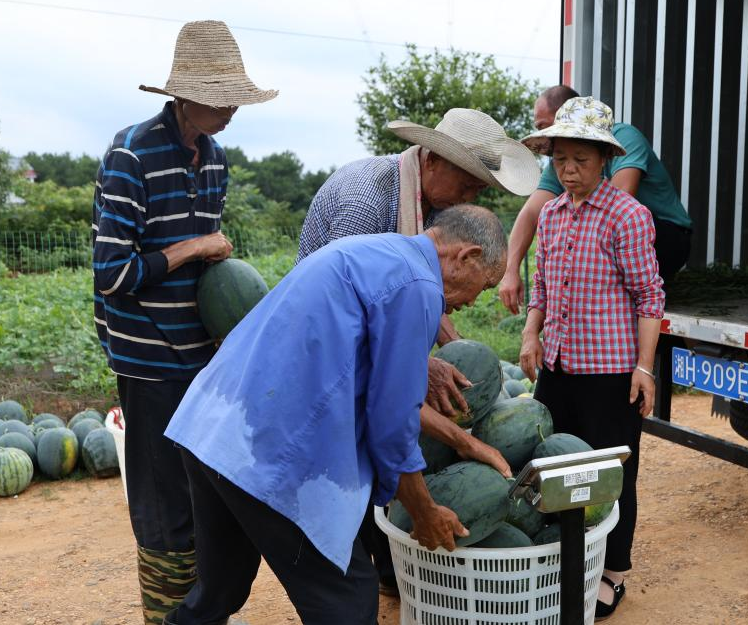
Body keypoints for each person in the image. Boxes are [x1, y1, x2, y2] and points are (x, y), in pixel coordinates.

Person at [162, 205, 510, 625]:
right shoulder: (418, 286)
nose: (474, 301)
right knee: (346, 602)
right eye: (484, 286)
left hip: (211, 429)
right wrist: (424, 512)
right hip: (265, 454)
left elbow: (376, 390)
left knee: (221, 589)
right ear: (466, 257)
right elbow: (393, 421)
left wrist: (464, 442)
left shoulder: (374, 251)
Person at [298, 107, 541, 594]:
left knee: (378, 446)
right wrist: (420, 364)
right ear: (432, 160)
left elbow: (432, 288)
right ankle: (361, 570)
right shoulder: (369, 195)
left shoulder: (431, 212)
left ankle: (390, 566)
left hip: (362, 352)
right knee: (357, 456)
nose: (471, 198)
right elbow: (357, 309)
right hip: (324, 353)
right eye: (470, 186)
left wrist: (466, 355)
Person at [92, 20, 276, 624]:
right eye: (219, 96)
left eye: (234, 98)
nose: (229, 109)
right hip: (145, 356)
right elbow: (111, 275)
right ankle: (165, 613)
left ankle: (199, 612)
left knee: (204, 493)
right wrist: (194, 249)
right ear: (183, 94)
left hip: (202, 357)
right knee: (163, 500)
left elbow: (210, 276)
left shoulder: (216, 159)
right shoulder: (131, 156)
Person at [519, 97, 666, 620]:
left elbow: (650, 296)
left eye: (580, 160)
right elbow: (540, 286)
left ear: (604, 158)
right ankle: (567, 557)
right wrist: (531, 335)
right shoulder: (553, 215)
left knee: (610, 475)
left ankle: (613, 570)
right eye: (560, 161)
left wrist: (644, 368)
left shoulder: (628, 216)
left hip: (609, 374)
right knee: (554, 466)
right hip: (557, 369)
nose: (569, 171)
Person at [498, 85, 692, 316]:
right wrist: (510, 270)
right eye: (561, 158)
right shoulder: (561, 161)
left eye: (543, 126)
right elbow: (531, 213)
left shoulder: (625, 138)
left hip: (666, 236)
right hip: (606, 239)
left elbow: (621, 202)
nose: (568, 167)